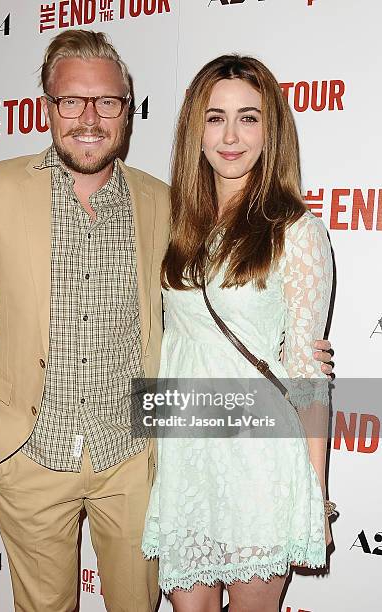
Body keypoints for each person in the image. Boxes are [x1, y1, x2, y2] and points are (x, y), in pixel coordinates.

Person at [0, 31, 333, 612]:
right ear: (46, 105)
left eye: (107, 102)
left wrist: (314, 485)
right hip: (39, 453)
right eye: (71, 101)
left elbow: (292, 361)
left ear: (127, 110)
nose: (89, 118)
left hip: (144, 460)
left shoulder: (162, 203)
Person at [141, 55, 334, 612]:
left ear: (270, 129)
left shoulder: (295, 231)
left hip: (259, 461)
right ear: (193, 131)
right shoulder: (174, 223)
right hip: (184, 461)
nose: (230, 136)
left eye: (248, 118)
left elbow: (306, 371)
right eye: (214, 117)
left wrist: (314, 496)